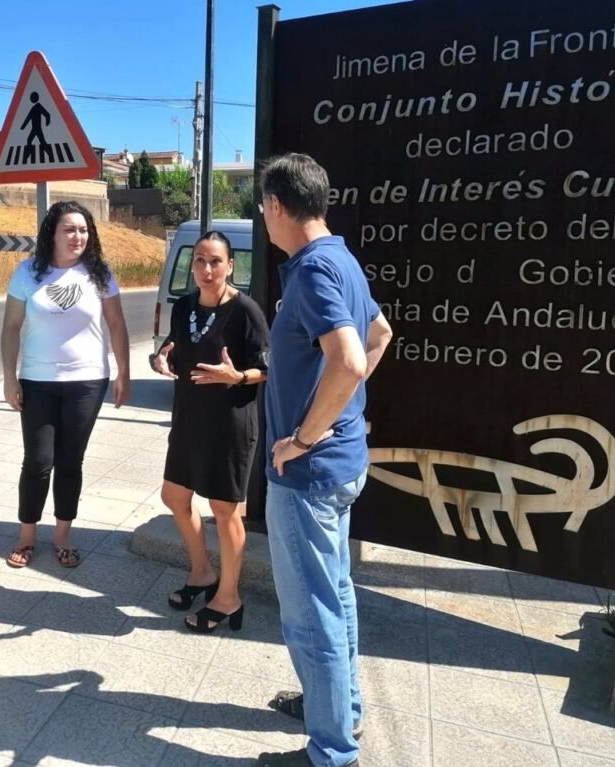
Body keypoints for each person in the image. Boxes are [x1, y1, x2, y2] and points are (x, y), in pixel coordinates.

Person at [253, 154, 393, 767]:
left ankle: (331, 752)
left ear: (278, 206)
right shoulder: (341, 258)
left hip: (309, 474)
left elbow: (351, 360)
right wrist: (344, 412)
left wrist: (308, 435)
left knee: (311, 615)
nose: (262, 217)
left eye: (262, 207)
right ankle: (339, 710)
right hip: (339, 466)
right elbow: (381, 334)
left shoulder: (311, 271)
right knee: (335, 593)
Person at [150, 231, 268, 634]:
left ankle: (229, 597)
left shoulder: (245, 311)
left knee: (225, 511)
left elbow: (267, 368)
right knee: (175, 496)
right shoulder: (183, 308)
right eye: (199, 260)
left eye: (215, 261)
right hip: (188, 419)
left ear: (230, 265)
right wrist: (160, 358)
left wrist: (237, 376)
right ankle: (202, 572)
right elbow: (172, 348)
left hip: (229, 424)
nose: (206, 268)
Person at [1, 200, 130, 569]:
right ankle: (27, 537)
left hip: (87, 381)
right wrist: (10, 378)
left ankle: (62, 536)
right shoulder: (28, 273)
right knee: (38, 461)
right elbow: (11, 328)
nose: (78, 237)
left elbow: (117, 325)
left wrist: (124, 373)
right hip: (38, 379)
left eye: (84, 230)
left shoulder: (100, 273)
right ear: (52, 234)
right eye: (69, 229)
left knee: (71, 460)